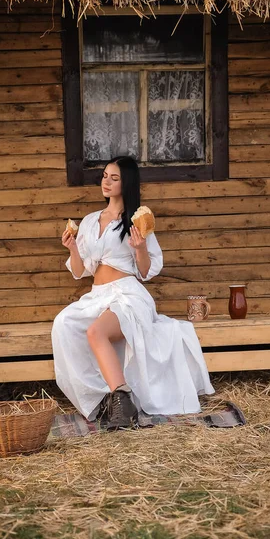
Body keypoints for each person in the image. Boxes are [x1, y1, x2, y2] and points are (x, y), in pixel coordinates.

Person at [51, 156, 214, 431]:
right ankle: (103, 399)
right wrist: (73, 249)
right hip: (97, 294)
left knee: (95, 333)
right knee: (63, 325)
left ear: (126, 183)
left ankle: (123, 405)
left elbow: (147, 270)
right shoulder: (90, 221)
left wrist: (139, 249)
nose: (106, 182)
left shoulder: (138, 220)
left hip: (128, 294)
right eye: (104, 176)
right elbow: (80, 271)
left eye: (114, 178)